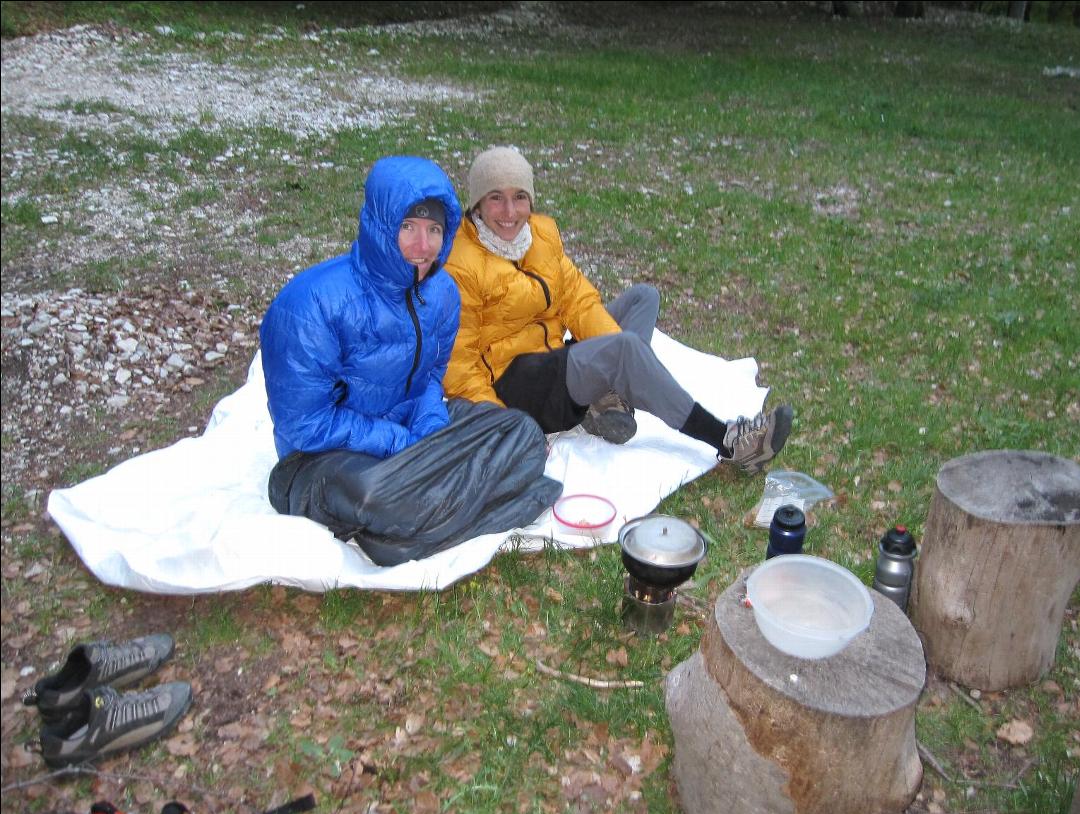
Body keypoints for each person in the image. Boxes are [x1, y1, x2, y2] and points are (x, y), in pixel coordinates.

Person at [259, 156, 561, 567]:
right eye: (408, 228)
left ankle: (406, 536)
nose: (423, 246)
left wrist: (430, 426)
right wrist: (400, 443)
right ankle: (488, 499)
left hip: (410, 440)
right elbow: (305, 424)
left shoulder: (441, 294)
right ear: (381, 226)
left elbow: (430, 382)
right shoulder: (310, 305)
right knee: (377, 498)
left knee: (523, 431)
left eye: (434, 230)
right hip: (321, 460)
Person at [441, 145, 793, 473]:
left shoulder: (540, 236)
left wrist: (611, 361)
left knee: (643, 298)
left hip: (551, 356)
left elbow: (578, 300)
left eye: (519, 197)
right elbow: (459, 364)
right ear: (477, 205)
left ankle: (609, 397)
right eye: (495, 198)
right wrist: (504, 425)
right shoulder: (461, 264)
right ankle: (731, 443)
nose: (509, 212)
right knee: (624, 349)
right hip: (515, 385)